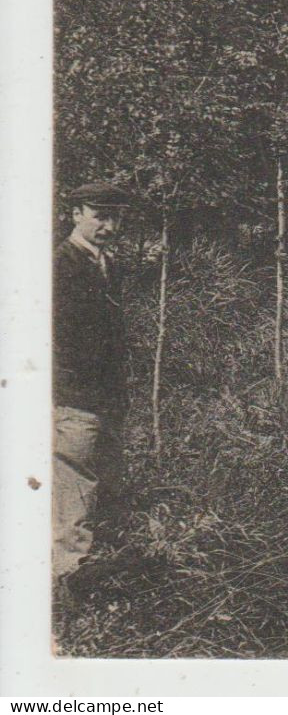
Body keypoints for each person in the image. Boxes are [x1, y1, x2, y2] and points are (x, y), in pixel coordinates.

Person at [53, 182, 134, 583]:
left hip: (107, 399)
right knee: (74, 490)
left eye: (115, 216)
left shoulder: (108, 265)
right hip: (74, 399)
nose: (109, 224)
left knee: (104, 484)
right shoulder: (59, 266)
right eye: (99, 214)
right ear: (76, 215)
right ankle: (68, 584)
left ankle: (102, 579)